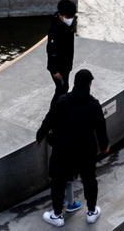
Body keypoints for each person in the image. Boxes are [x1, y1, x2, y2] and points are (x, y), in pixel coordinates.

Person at [36, 68, 110, 227]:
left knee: (58, 181)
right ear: (89, 85)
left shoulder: (62, 101)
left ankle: (57, 215)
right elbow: (100, 128)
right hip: (86, 150)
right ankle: (91, 212)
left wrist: (40, 136)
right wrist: (104, 146)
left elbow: (48, 120)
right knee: (89, 180)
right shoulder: (94, 105)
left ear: (75, 83)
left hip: (63, 149)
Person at [47, 0, 77, 102]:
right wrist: (54, 70)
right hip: (58, 68)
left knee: (64, 88)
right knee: (62, 89)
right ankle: (54, 111)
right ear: (61, 15)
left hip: (66, 65)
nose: (70, 19)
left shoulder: (68, 25)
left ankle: (59, 109)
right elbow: (51, 51)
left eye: (72, 17)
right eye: (68, 17)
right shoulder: (55, 29)